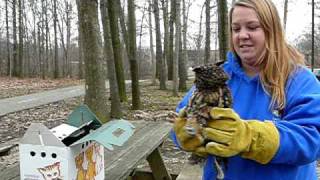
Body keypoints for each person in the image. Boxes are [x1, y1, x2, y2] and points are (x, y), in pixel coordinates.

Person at [172, 0, 320, 179]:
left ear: (271, 30)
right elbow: (181, 117)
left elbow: (312, 138)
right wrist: (184, 134)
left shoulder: (299, 80)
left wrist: (251, 138)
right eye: (236, 29)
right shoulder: (215, 76)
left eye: (252, 27)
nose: (242, 35)